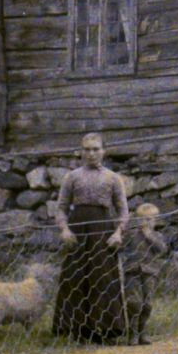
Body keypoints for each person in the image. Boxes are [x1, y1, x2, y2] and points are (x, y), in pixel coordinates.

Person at [52, 132, 131, 342]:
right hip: (78, 230)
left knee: (102, 278)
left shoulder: (113, 178)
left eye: (96, 149)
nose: (91, 154)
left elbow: (123, 210)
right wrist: (64, 229)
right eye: (87, 149)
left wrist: (118, 233)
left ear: (104, 151)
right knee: (75, 277)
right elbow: (60, 208)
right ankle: (73, 330)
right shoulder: (72, 177)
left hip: (102, 230)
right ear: (81, 152)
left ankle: (105, 330)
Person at [120, 202, 171, 346]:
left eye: (150, 219)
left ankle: (143, 332)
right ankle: (132, 334)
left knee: (147, 304)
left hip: (150, 272)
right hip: (132, 271)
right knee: (134, 302)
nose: (147, 223)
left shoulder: (157, 235)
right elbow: (121, 247)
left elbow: (162, 250)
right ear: (137, 221)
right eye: (143, 219)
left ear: (155, 221)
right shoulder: (131, 234)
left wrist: (149, 236)